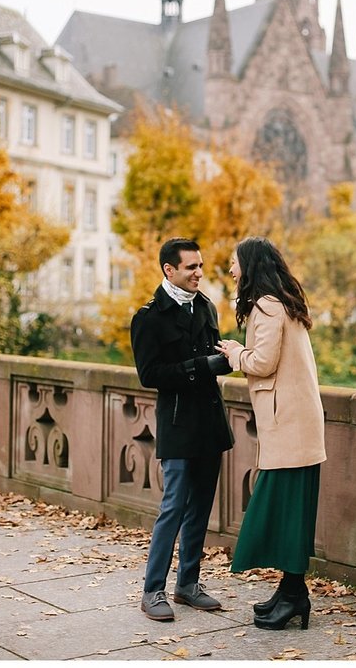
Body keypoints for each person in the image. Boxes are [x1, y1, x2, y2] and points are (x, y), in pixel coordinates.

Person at [214, 237, 326, 631]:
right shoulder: (284, 301)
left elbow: (262, 362)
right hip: (296, 424)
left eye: (234, 262)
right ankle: (291, 592)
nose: (230, 269)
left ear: (250, 265)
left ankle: (295, 594)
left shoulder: (267, 305)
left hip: (289, 426)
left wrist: (233, 354)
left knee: (284, 510)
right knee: (291, 511)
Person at [131, 237, 234, 621]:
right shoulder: (148, 317)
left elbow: (210, 353)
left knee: (201, 507)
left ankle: (187, 585)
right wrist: (200, 367)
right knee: (173, 506)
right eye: (191, 267)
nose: (199, 273)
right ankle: (152, 590)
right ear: (168, 270)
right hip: (175, 423)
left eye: (201, 266)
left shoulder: (206, 306)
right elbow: (149, 374)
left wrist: (223, 359)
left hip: (210, 422)